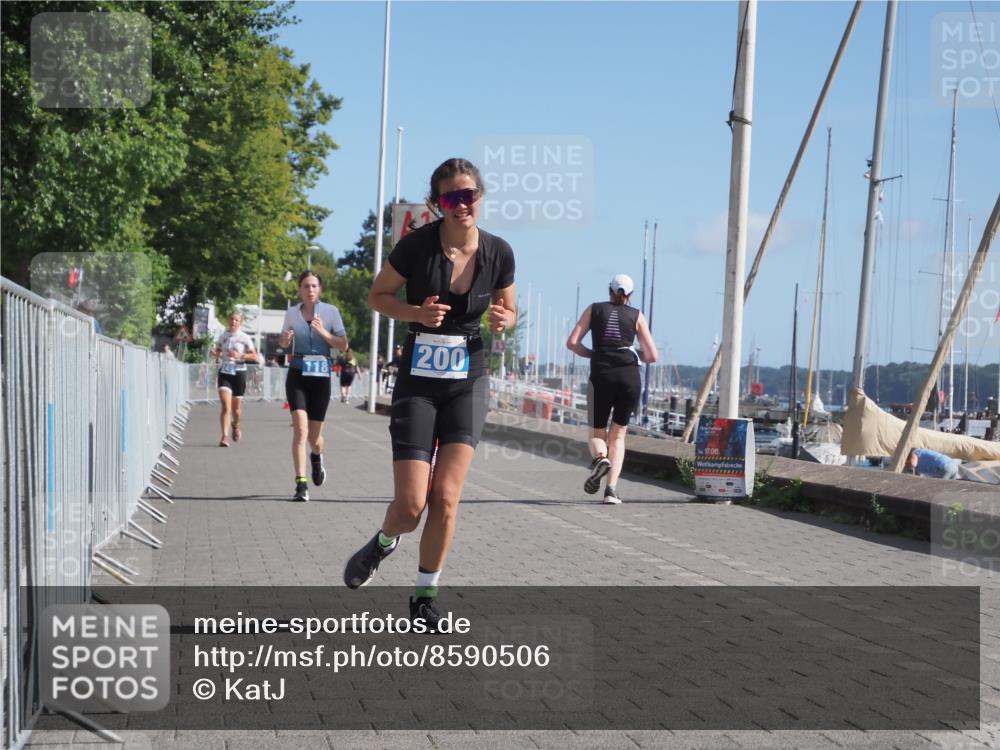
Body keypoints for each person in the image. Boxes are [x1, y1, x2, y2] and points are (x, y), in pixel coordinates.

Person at [343, 157, 515, 630]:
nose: (462, 205)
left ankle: (424, 595)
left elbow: (509, 310)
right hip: (419, 381)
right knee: (412, 506)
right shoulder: (416, 246)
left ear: (481, 196)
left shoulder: (499, 252)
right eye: (451, 198)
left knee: (447, 497)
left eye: (470, 195)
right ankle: (382, 543)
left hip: (468, 379)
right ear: (437, 203)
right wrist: (416, 314)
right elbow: (377, 297)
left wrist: (504, 320)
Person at [566, 274, 657, 504]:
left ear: (609, 290)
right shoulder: (637, 316)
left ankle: (600, 458)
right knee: (618, 436)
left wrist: (593, 353)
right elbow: (652, 355)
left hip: (601, 376)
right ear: (630, 295)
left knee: (597, 433)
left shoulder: (594, 310)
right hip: (629, 378)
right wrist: (634, 353)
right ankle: (611, 491)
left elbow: (572, 343)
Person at [278, 271, 348, 502]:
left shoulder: (330, 312)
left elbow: (343, 344)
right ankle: (301, 484)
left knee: (314, 439)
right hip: (298, 373)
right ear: (299, 289)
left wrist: (324, 332)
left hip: (321, 376)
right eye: (306, 286)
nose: (310, 290)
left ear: (320, 290)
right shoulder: (291, 313)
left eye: (314, 286)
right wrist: (285, 340)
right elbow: (282, 341)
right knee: (300, 430)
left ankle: (317, 457)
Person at [211, 311, 258, 447]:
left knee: (236, 410)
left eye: (236, 320)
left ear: (240, 322)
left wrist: (240, 355)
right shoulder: (223, 336)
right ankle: (224, 436)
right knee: (226, 405)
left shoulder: (244, 338)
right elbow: (218, 351)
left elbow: (254, 355)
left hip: (239, 372)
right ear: (228, 320)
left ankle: (236, 424)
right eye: (231, 319)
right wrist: (215, 354)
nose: (233, 322)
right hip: (225, 371)